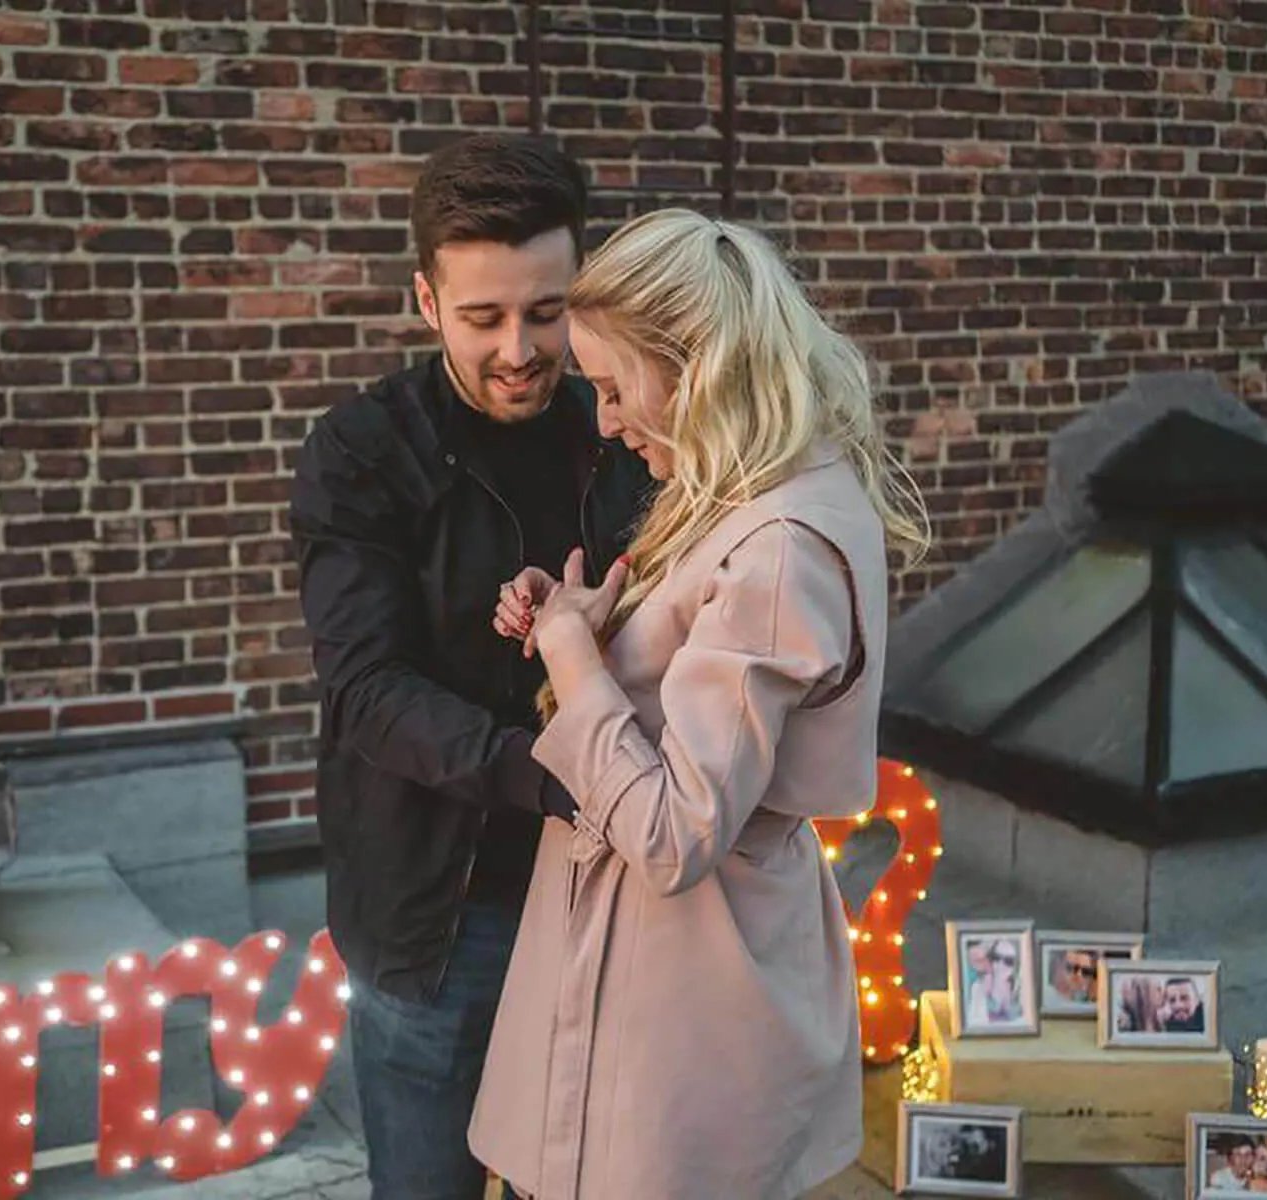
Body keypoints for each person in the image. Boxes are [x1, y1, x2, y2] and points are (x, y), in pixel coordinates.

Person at [470, 208, 930, 1198]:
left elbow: (678, 834)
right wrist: (586, 635)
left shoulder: (776, 545)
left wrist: (570, 656)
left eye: (613, 386)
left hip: (675, 999)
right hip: (661, 980)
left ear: (698, 364)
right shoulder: (761, 492)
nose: (603, 419)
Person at [288, 133, 654, 1199]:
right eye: (483, 316)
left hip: (609, 889)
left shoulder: (623, 425)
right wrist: (553, 769)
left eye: (547, 312)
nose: (520, 348)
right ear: (425, 300)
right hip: (436, 918)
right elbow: (365, 690)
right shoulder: (360, 451)